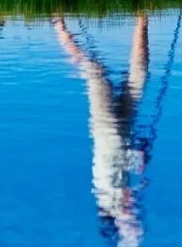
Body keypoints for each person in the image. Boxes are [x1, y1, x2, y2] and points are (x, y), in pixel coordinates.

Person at [54, 14, 150, 246]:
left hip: (106, 124)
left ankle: (59, 25)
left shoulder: (108, 194)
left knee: (93, 71)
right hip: (124, 129)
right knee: (139, 77)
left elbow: (119, 169)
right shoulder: (114, 196)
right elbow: (125, 171)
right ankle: (142, 18)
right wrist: (139, 157)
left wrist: (137, 156)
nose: (130, 210)